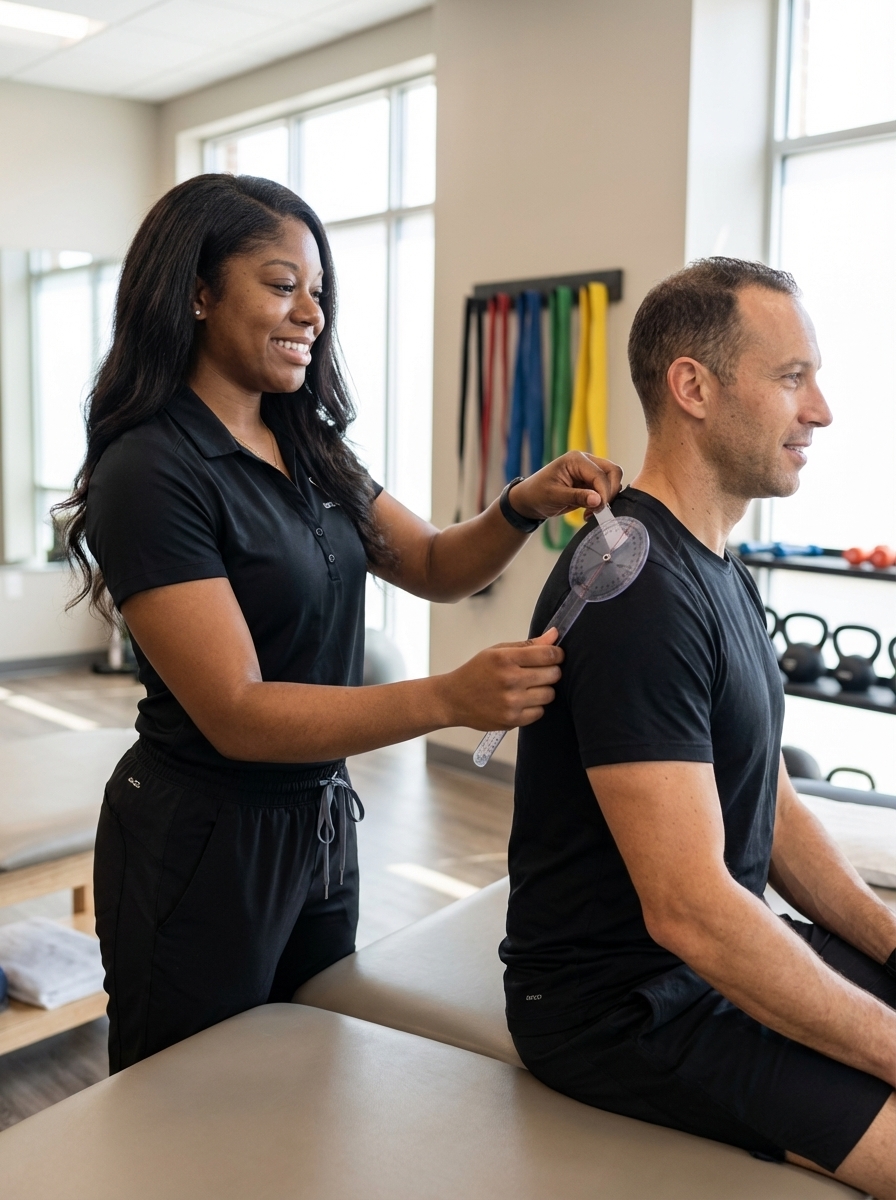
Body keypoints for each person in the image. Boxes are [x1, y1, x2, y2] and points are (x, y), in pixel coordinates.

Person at [59, 174, 623, 1072]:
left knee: (306, 1079)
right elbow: (237, 712)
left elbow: (433, 564)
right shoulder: (152, 470)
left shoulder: (310, 444)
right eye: (283, 285)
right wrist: (448, 698)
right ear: (198, 293)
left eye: (318, 292)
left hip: (319, 824)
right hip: (199, 841)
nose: (312, 315)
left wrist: (520, 504)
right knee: (193, 1101)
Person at [500, 259, 896, 1199]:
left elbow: (773, 807)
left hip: (713, 959)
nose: (821, 411)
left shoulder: (717, 566)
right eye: (792, 378)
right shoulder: (636, 593)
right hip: (624, 1011)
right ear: (693, 387)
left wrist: (891, 943)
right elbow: (688, 912)